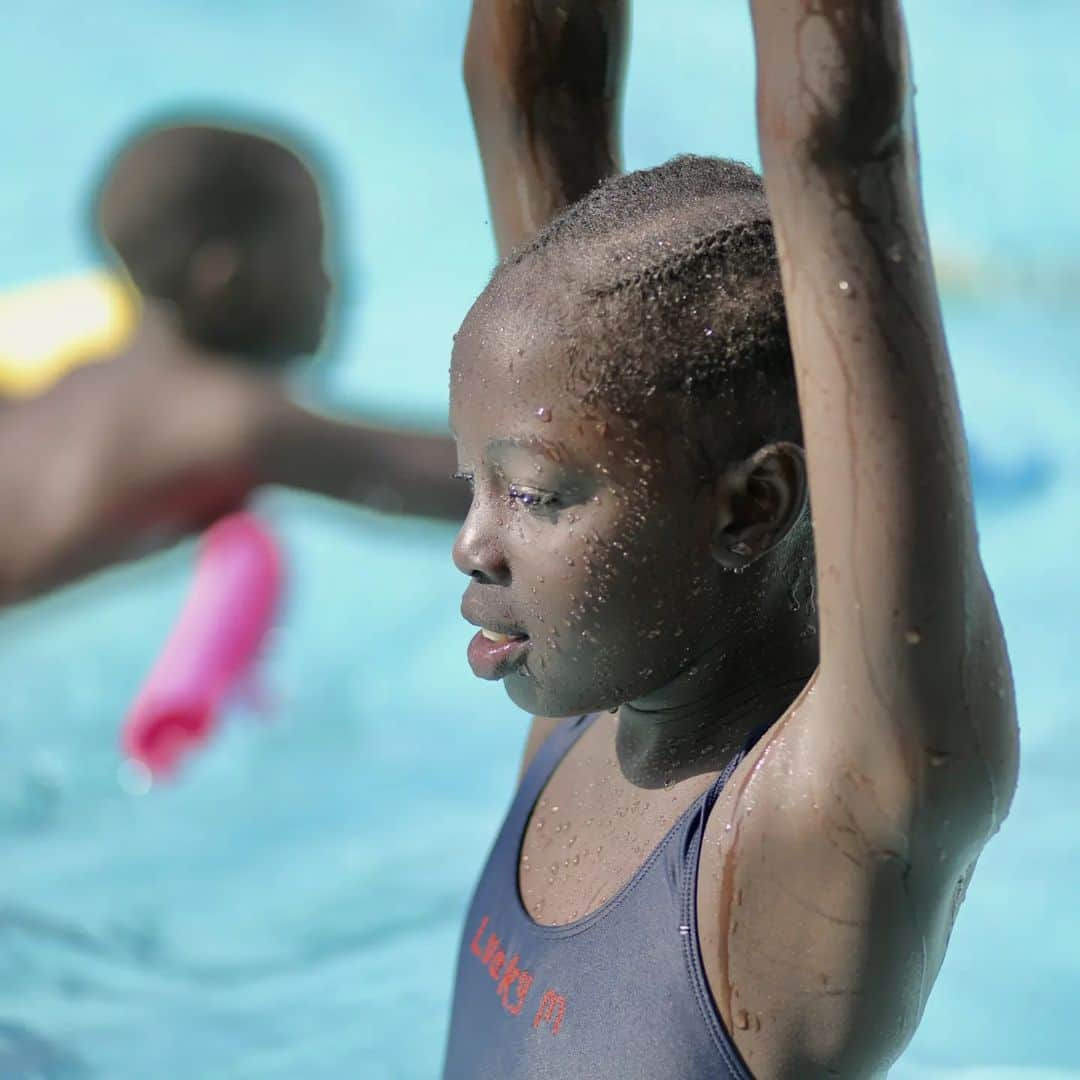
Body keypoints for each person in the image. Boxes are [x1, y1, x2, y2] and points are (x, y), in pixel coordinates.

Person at [443, 1, 1018, 1077]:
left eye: (533, 498)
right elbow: (531, 93)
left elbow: (840, 149)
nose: (472, 543)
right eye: (470, 480)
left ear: (749, 510)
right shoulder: (596, 695)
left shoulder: (835, 815)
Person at [0, 122, 465, 606]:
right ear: (227, 281)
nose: (334, 282)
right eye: (313, 254)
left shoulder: (88, 374)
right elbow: (476, 480)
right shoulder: (232, 421)